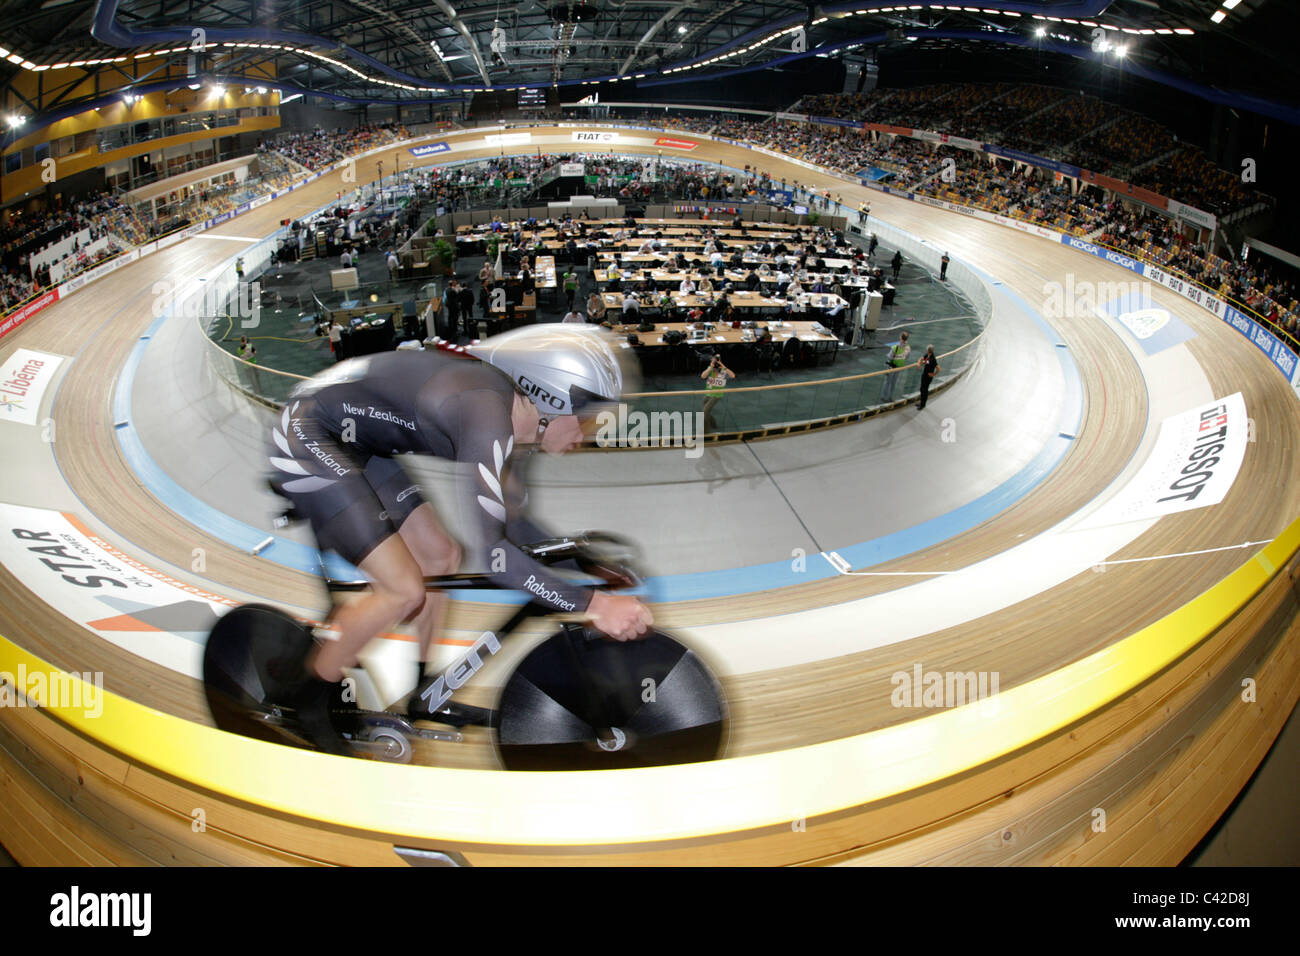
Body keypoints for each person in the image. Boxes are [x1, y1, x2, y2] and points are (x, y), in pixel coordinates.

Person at [266, 325, 650, 754]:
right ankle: (306, 705)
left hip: (356, 442)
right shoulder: (487, 419)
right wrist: (593, 606)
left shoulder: (515, 422)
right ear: (551, 401)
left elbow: (513, 526)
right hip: (307, 433)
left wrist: (584, 564)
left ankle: (421, 691)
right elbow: (497, 559)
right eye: (587, 419)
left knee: (440, 554)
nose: (587, 435)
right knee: (402, 589)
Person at [700, 352, 734, 433]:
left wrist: (723, 366)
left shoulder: (724, 370)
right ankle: (714, 424)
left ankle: (706, 431)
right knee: (705, 411)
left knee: (705, 412)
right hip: (708, 393)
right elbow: (703, 376)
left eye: (717, 360)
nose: (715, 362)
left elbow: (732, 376)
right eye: (714, 359)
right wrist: (710, 367)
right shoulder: (710, 368)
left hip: (717, 395)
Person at [880, 330, 911, 403]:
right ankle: (890, 397)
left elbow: (890, 357)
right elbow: (906, 357)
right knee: (894, 382)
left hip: (892, 366)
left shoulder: (895, 347)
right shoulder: (908, 348)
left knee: (888, 382)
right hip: (899, 366)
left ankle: (884, 397)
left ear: (901, 338)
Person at [916, 344, 939, 410]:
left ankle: (923, 405)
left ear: (928, 350)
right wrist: (918, 363)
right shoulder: (927, 355)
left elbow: (938, 368)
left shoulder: (932, 359)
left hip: (928, 377)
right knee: (922, 389)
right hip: (924, 374)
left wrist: (934, 374)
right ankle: (921, 402)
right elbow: (921, 359)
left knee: (924, 390)